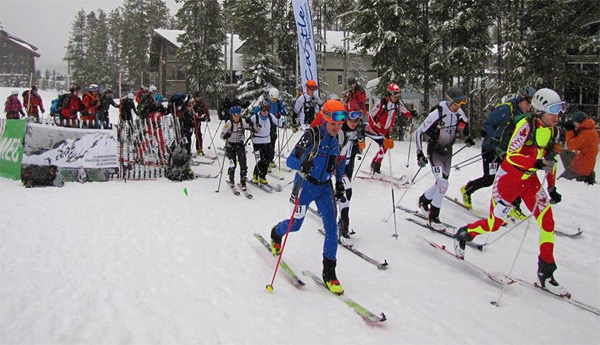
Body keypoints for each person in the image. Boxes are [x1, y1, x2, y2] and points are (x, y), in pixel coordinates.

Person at [454, 88, 567, 296]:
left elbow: (551, 162)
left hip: (530, 182)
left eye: (559, 110)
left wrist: (552, 186)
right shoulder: (525, 125)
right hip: (509, 179)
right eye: (553, 110)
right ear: (541, 110)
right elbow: (512, 155)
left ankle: (546, 273)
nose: (556, 115)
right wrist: (536, 162)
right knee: (494, 224)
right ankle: (465, 233)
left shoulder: (553, 131)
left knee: (548, 222)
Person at [269, 99, 347, 295]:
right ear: (325, 120)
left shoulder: (339, 139)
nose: (336, 128)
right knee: (296, 224)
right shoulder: (312, 135)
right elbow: (290, 161)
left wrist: (339, 182)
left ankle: (329, 274)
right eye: (333, 124)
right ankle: (276, 233)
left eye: (339, 125)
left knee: (331, 229)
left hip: (324, 189)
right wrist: (302, 165)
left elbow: (338, 163)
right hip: (304, 185)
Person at [460, 86, 536, 220]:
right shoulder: (506, 109)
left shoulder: (524, 114)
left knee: (514, 177)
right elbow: (487, 123)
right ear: (520, 98)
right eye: (527, 103)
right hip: (491, 149)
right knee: (489, 179)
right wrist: (496, 136)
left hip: (507, 151)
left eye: (531, 104)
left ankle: (514, 206)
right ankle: (467, 189)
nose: (529, 107)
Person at [414, 86, 473, 231]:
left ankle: (423, 200)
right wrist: (419, 153)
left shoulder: (459, 113)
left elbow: (465, 126)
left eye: (462, 104)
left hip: (447, 152)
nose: (459, 107)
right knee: (443, 185)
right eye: (457, 103)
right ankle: (433, 217)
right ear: (449, 101)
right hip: (435, 151)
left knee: (442, 183)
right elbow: (418, 132)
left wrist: (468, 137)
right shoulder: (437, 113)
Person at [365, 82, 412, 173]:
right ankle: (376, 165)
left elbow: (405, 111)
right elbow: (371, 115)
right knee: (384, 147)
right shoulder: (381, 103)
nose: (396, 96)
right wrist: (374, 125)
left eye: (398, 94)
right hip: (378, 128)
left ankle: (375, 163)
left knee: (385, 148)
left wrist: (411, 114)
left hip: (387, 130)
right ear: (389, 93)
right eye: (395, 94)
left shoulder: (397, 103)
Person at [335, 107, 366, 246]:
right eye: (351, 119)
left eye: (357, 120)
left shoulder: (360, 129)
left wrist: (384, 141)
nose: (354, 122)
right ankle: (343, 226)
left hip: (349, 166)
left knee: (344, 193)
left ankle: (336, 205)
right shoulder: (339, 130)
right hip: (337, 166)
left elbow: (376, 135)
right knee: (347, 192)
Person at [250, 100, 284, 185]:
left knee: (268, 159)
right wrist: (253, 129)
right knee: (260, 159)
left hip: (267, 140)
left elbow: (280, 123)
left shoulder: (270, 116)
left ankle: (263, 175)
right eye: (263, 110)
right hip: (257, 141)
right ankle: (255, 174)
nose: (265, 112)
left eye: (267, 110)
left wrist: (280, 117)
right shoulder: (255, 117)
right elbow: (248, 126)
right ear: (260, 110)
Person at [559, 111, 598, 184]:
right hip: (584, 165)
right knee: (563, 152)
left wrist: (569, 131)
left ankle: (571, 174)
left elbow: (570, 145)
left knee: (563, 152)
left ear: (579, 122)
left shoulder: (587, 133)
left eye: (574, 122)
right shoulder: (589, 130)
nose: (574, 125)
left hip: (580, 169)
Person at [221, 105, 253, 189]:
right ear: (232, 115)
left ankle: (243, 181)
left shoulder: (243, 122)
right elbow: (221, 135)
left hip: (240, 145)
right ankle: (231, 179)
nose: (236, 117)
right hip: (230, 145)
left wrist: (251, 124)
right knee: (233, 164)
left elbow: (254, 128)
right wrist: (225, 136)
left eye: (238, 115)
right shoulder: (228, 123)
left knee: (243, 163)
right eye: (234, 115)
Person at [192, 91, 211, 156]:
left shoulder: (202, 103)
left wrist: (207, 117)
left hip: (198, 121)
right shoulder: (192, 103)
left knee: (198, 134)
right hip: (191, 120)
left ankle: (199, 148)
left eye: (200, 97)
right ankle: (186, 149)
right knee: (188, 134)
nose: (199, 98)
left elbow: (205, 110)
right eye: (198, 97)